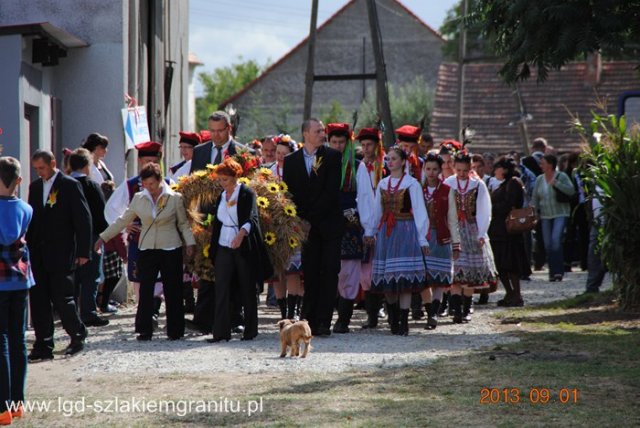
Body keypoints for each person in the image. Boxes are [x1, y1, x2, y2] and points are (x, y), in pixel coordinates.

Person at [95, 163, 196, 340]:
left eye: (152, 184)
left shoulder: (175, 198)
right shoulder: (139, 198)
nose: (149, 188)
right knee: (146, 290)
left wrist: (190, 244)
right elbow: (122, 220)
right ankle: (144, 329)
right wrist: (103, 237)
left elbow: (182, 224)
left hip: (170, 247)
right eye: (145, 184)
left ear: (159, 180)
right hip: (147, 248)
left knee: (173, 290)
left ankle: (175, 330)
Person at [26, 150, 91, 360]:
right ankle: (43, 344)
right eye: (36, 169)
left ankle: (77, 334)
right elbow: (33, 221)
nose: (39, 173)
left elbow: (83, 219)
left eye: (42, 168)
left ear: (52, 163)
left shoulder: (70, 185)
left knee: (63, 298)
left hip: (62, 252)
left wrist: (83, 251)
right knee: (39, 299)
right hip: (39, 253)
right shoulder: (35, 188)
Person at [283, 118, 343, 337]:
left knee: (329, 272)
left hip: (328, 226)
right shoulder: (291, 161)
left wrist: (310, 218)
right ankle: (309, 319)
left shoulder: (332, 157)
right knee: (309, 273)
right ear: (305, 133)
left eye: (323, 131)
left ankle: (324, 321)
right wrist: (300, 219)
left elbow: (330, 192)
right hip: (306, 229)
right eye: (318, 131)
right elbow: (290, 193)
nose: (323, 134)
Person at [364, 146, 429, 336]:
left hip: (406, 231)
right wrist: (371, 230)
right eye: (388, 159)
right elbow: (377, 210)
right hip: (386, 232)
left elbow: (419, 212)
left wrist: (422, 239)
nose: (389, 162)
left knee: (405, 278)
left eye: (393, 159)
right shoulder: (383, 184)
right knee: (389, 279)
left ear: (402, 162)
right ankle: (393, 318)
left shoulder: (412, 184)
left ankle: (403, 320)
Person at [207, 158, 273, 342]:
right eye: (219, 180)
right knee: (221, 288)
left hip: (243, 245)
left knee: (247, 287)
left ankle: (250, 330)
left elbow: (252, 218)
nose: (222, 183)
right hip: (223, 244)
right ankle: (220, 332)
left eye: (225, 180)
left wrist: (241, 235)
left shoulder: (246, 193)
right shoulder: (221, 196)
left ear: (235, 177)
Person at [104, 142, 170, 323]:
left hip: (163, 240)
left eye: (155, 161)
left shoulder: (169, 184)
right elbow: (111, 208)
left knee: (160, 277)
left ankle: (154, 311)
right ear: (140, 161)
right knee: (140, 277)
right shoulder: (131, 185)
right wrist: (125, 226)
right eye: (148, 160)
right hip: (140, 240)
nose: (151, 164)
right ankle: (146, 314)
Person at [444, 151, 498, 323]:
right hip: (453, 229)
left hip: (471, 228)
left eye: (464, 170)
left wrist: (482, 232)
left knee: (469, 275)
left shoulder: (478, 185)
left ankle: (466, 308)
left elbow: (484, 209)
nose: (461, 174)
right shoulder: (448, 183)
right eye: (458, 170)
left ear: (469, 169)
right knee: (455, 273)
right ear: (454, 168)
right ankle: (456, 309)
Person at [0, 157, 33, 425]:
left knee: (0, 343)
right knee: (18, 340)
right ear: (18, 181)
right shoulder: (26, 208)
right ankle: (18, 402)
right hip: (20, 279)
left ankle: (2, 407)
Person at [326, 123, 362, 334]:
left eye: (342, 142)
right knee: (331, 270)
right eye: (334, 142)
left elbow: (365, 196)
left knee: (350, 271)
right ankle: (327, 315)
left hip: (351, 225)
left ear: (348, 143)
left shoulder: (358, 166)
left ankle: (344, 319)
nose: (338, 146)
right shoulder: (320, 164)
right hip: (328, 224)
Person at [68, 149, 110, 327]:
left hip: (69, 237)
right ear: (87, 165)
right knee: (91, 276)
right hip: (92, 235)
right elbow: (101, 214)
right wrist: (103, 235)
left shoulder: (63, 185)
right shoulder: (92, 186)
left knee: (73, 277)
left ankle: (71, 314)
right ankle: (88, 312)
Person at [419, 153, 460, 329]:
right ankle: (429, 311)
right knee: (423, 279)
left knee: (439, 279)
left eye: (435, 169)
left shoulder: (447, 190)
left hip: (441, 237)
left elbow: (452, 219)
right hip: (423, 238)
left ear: (440, 170)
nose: (431, 172)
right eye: (428, 168)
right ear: (424, 169)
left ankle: (434, 313)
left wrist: (456, 243)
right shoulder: (417, 189)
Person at [488, 157, 531, 306]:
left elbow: (510, 204)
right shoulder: (503, 184)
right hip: (498, 232)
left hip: (508, 232)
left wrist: (491, 207)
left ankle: (516, 295)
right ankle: (510, 294)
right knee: (501, 265)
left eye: (497, 168)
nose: (495, 171)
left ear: (505, 169)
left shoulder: (513, 183)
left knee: (511, 264)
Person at [270, 135, 304, 320]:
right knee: (278, 271)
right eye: (278, 152)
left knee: (293, 269)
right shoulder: (268, 172)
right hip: (274, 226)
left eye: (285, 153)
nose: (280, 156)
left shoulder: (298, 171)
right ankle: (283, 311)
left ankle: (294, 310)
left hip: (293, 225)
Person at [355, 127, 386, 329]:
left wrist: (374, 227)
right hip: (365, 223)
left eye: (370, 145)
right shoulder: (360, 167)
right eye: (363, 145)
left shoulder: (383, 167)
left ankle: (384, 309)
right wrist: (366, 228)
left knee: (381, 268)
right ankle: (371, 314)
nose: (366, 149)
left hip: (383, 224)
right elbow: (362, 199)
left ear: (377, 146)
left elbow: (378, 200)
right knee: (366, 272)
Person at [531, 154, 575, 282]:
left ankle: (558, 272)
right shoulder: (539, 179)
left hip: (560, 213)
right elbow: (535, 197)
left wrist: (556, 183)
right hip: (545, 215)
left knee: (556, 241)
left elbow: (571, 190)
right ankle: (552, 271)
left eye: (543, 163)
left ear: (550, 164)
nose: (541, 165)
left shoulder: (562, 176)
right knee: (548, 244)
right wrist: (534, 212)